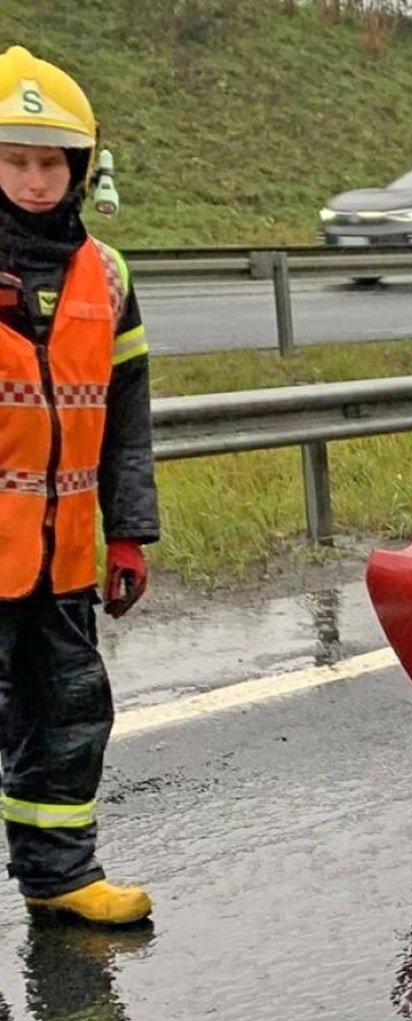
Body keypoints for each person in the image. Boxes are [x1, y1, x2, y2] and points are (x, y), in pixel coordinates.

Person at [0, 46, 157, 924]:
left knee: (66, 716)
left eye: (49, 162)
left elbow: (124, 422)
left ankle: (60, 875)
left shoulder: (109, 275)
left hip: (60, 559)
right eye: (15, 160)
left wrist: (127, 531)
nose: (32, 179)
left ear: (79, 167)